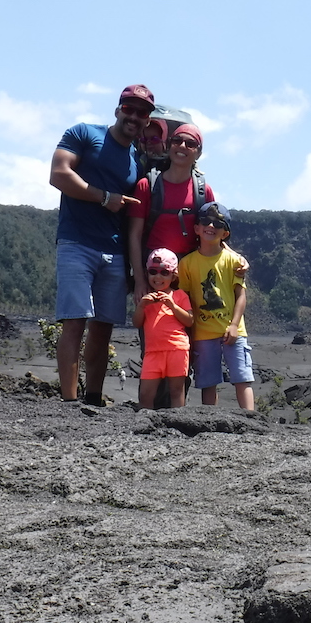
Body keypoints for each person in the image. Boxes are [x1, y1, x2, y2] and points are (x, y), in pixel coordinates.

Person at [48, 84, 152, 405]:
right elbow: (58, 174)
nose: (134, 116)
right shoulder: (84, 133)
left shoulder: (138, 159)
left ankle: (93, 398)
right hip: (76, 243)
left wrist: (137, 270)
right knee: (75, 320)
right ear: (117, 109)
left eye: (142, 112)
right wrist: (105, 197)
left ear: (147, 120)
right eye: (129, 108)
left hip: (116, 251)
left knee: (104, 327)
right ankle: (69, 401)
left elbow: (138, 213)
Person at [126, 122, 216, 304]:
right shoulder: (147, 186)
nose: (182, 146)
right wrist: (139, 280)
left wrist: (236, 260)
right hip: (155, 275)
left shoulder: (203, 191)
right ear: (169, 146)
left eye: (190, 144)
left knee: (189, 331)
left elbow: (214, 235)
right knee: (154, 331)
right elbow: (134, 235)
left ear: (198, 153)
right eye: (177, 141)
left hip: (189, 276)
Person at [178, 201, 256, 410]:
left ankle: (252, 421)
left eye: (217, 224)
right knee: (208, 382)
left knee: (242, 377)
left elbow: (241, 296)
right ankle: (210, 422)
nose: (211, 226)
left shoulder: (233, 261)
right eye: (205, 221)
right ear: (196, 228)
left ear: (225, 233)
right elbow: (184, 299)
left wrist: (234, 325)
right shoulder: (187, 264)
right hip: (203, 333)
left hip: (234, 331)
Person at [131, 247, 193, 409]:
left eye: (164, 273)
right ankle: (145, 425)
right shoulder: (147, 298)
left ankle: (177, 424)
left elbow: (189, 320)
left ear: (173, 276)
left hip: (177, 349)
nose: (158, 277)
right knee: (145, 394)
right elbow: (137, 323)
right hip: (152, 352)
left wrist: (172, 305)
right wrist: (141, 306)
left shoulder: (180, 296)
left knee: (176, 391)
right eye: (153, 271)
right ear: (147, 273)